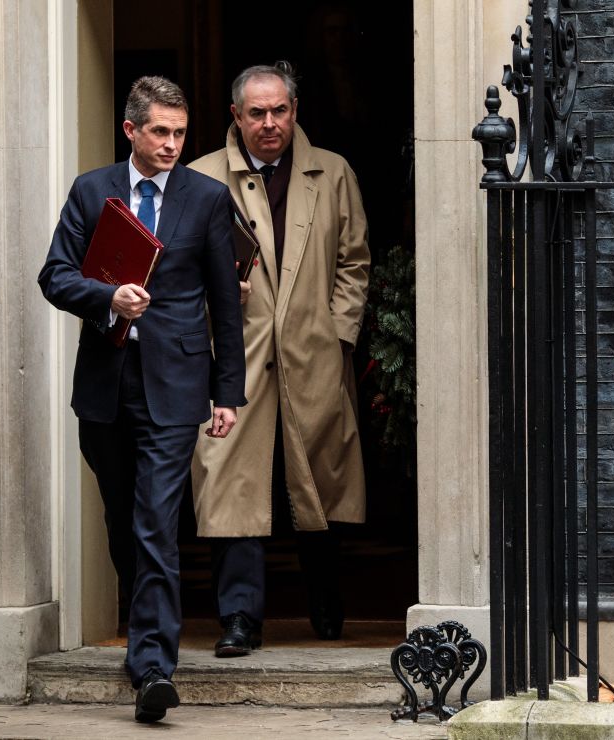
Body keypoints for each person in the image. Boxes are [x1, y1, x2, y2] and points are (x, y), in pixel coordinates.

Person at [38, 76, 246, 722]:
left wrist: (227, 392)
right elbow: (55, 275)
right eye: (160, 132)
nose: (171, 144)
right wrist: (108, 299)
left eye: (180, 133)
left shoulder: (207, 199)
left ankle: (154, 665)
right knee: (123, 524)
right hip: (105, 386)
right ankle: (143, 628)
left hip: (178, 386)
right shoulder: (90, 191)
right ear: (131, 130)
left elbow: (225, 304)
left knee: (156, 519)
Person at [189, 63, 370, 657]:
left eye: (280, 112)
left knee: (317, 481)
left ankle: (326, 598)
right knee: (234, 484)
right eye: (257, 114)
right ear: (235, 118)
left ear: (295, 112)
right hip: (231, 359)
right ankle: (240, 619)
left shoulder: (334, 172)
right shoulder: (200, 178)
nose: (270, 124)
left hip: (312, 352)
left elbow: (354, 261)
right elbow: (172, 270)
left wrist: (338, 333)